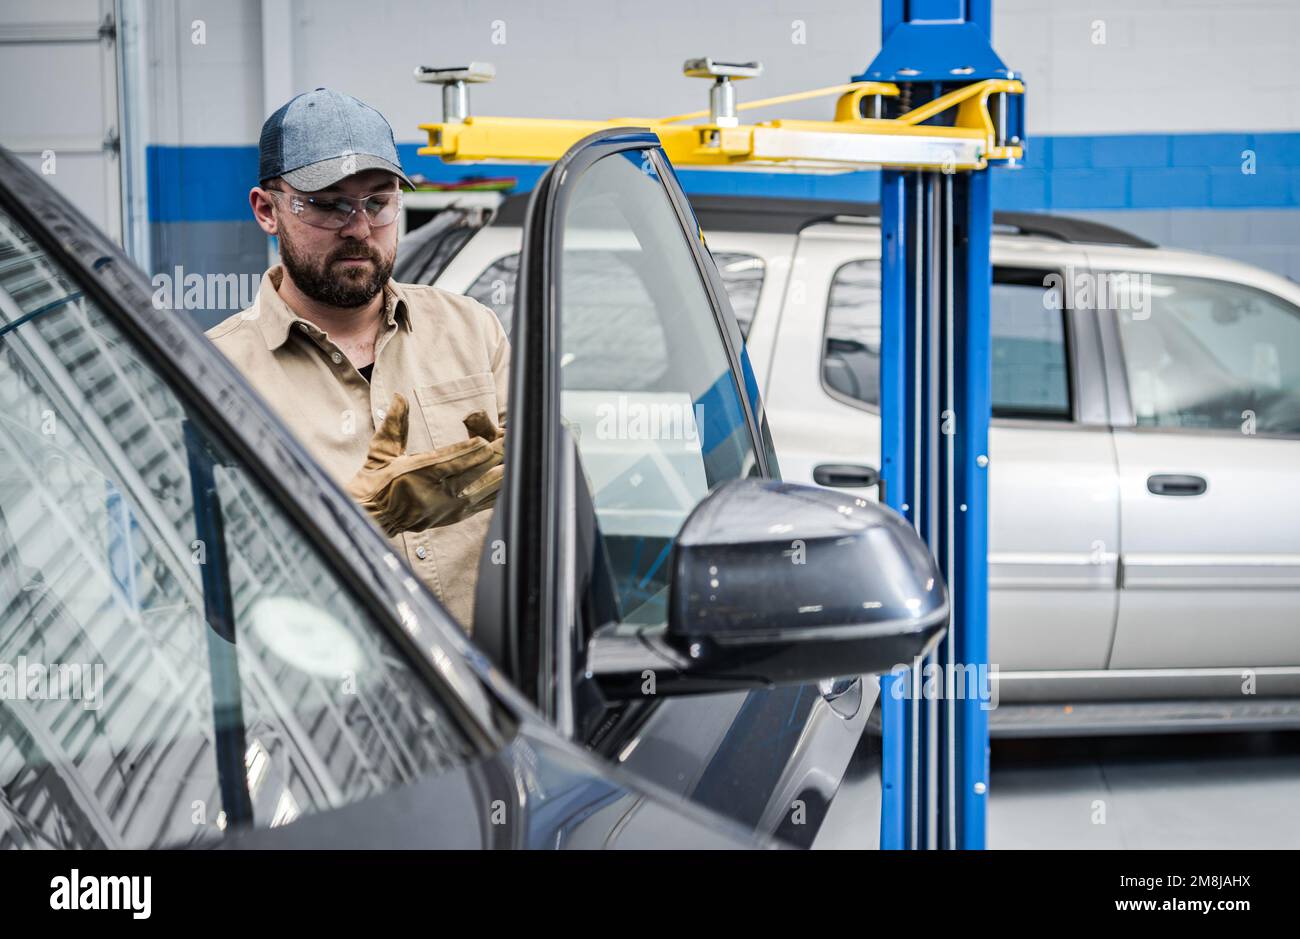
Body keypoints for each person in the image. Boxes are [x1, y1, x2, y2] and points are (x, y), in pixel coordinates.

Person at [206, 88, 507, 633]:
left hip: (487, 677)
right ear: (267, 210)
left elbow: (553, 508)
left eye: (378, 202)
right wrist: (348, 525)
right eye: (328, 204)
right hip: (332, 683)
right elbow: (210, 580)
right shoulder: (215, 375)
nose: (360, 228)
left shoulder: (472, 331)